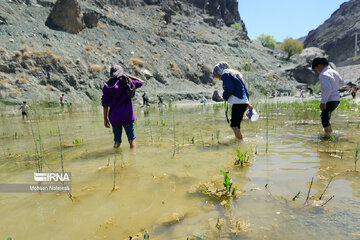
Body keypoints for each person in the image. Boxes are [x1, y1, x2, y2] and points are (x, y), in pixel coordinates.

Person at [102, 65, 144, 149]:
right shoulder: (127, 83)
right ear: (121, 73)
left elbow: (105, 105)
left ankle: (115, 155)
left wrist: (105, 119)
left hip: (114, 118)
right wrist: (127, 75)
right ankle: (133, 158)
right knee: (131, 139)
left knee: (117, 141)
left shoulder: (107, 87)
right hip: (127, 116)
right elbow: (141, 82)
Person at [213, 61, 254, 140]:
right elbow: (245, 90)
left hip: (238, 102)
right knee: (236, 125)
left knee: (234, 125)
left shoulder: (225, 74)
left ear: (219, 71)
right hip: (243, 102)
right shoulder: (235, 74)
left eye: (217, 76)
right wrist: (247, 104)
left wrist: (225, 95)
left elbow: (230, 88)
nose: (218, 78)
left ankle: (241, 143)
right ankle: (239, 140)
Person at [312, 57, 345, 137]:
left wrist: (323, 102)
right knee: (326, 117)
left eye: (316, 69)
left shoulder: (323, 74)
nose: (317, 71)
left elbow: (328, 88)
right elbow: (342, 83)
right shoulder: (334, 72)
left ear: (319, 65)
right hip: (336, 100)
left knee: (324, 119)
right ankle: (330, 134)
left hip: (329, 100)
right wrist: (334, 88)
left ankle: (327, 137)